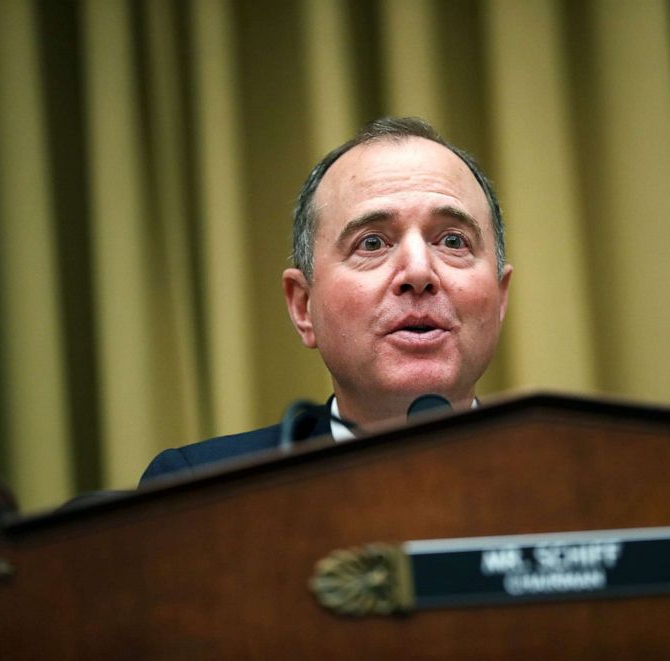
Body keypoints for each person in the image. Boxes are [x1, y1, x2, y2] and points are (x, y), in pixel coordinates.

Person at [139, 117, 512, 484]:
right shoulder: (201, 492)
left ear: (500, 298)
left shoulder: (565, 473)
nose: (418, 273)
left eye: (452, 241)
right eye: (371, 243)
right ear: (303, 307)